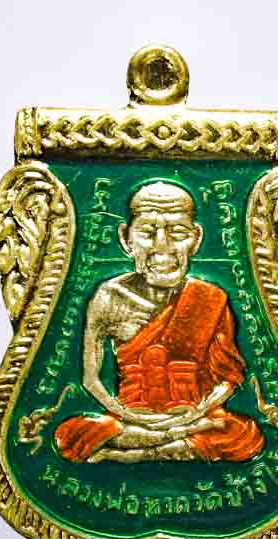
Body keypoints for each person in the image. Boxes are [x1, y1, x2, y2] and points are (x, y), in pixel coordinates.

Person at [55, 182, 264, 463]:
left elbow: (228, 378)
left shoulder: (210, 298)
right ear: (125, 238)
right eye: (147, 232)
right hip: (131, 415)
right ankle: (170, 444)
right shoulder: (109, 296)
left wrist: (195, 414)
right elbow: (90, 379)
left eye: (177, 232)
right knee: (73, 433)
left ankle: (136, 453)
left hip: (191, 414)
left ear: (196, 239)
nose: (162, 246)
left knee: (244, 435)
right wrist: (126, 414)